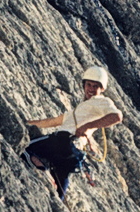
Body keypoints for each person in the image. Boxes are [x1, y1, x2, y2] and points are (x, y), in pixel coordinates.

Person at [22, 65, 123, 199]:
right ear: (84, 85)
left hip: (63, 140)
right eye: (89, 85)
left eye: (95, 86)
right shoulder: (78, 111)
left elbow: (117, 117)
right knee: (60, 187)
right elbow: (52, 121)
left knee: (23, 146)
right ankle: (58, 207)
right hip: (72, 153)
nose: (91, 89)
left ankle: (42, 172)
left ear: (102, 89)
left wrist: (87, 126)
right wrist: (27, 122)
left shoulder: (102, 101)